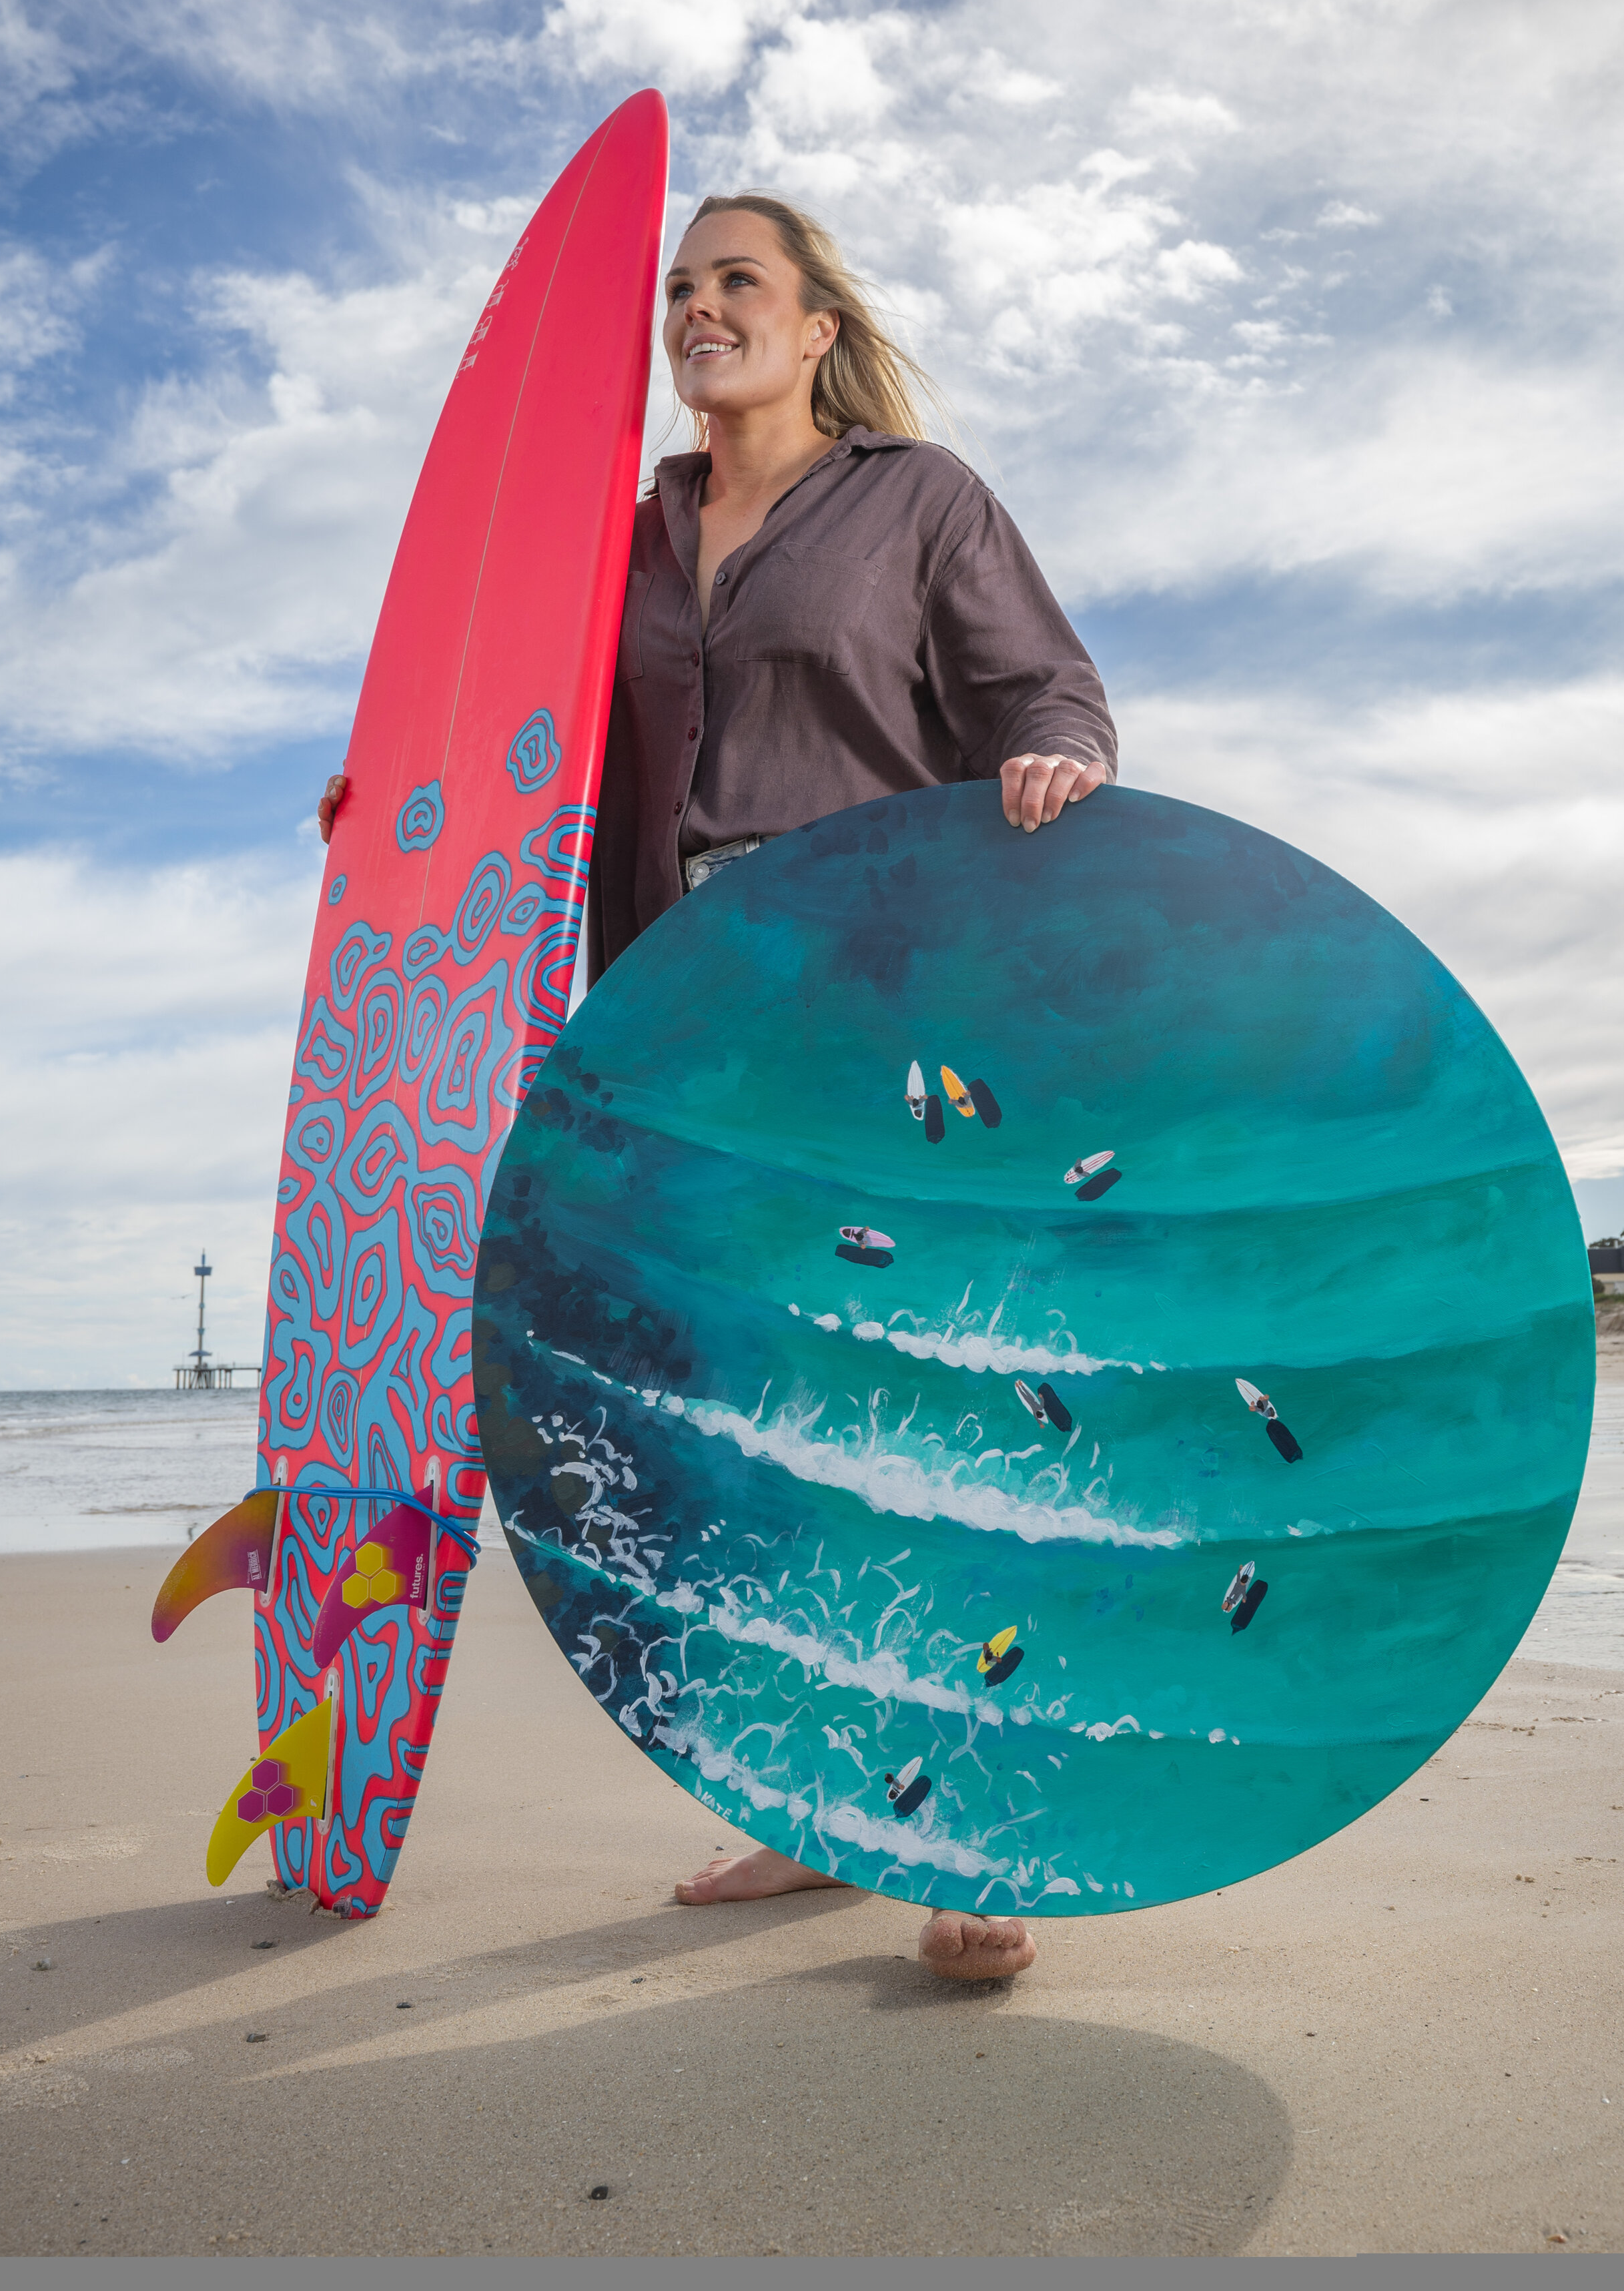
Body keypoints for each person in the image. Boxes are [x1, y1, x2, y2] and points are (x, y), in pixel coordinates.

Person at [320, 191, 1118, 1983]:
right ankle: (810, 1810)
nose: (695, 306)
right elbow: (518, 754)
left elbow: (1039, 686)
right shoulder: (627, 538)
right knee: (759, 1434)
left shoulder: (917, 497)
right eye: (676, 287)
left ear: (814, 323)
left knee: (919, 1406)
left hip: (879, 998)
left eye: (731, 280)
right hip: (683, 1030)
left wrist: (1057, 756)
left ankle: (969, 1836)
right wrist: (386, 818)